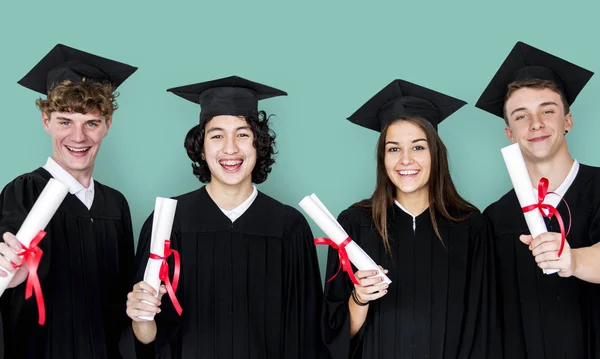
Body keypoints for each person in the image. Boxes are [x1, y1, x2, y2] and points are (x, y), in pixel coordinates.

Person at [121, 76, 325, 358]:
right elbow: (148, 339)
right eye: (216, 135)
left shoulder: (289, 226)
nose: (230, 148)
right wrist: (139, 315)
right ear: (201, 148)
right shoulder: (168, 223)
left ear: (258, 144)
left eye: (243, 134)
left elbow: (306, 334)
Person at [322, 79, 501, 359]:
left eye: (418, 147)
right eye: (394, 148)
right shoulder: (355, 224)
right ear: (382, 158)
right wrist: (360, 297)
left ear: (436, 153)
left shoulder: (469, 226)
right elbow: (333, 335)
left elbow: (483, 326)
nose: (406, 160)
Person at [0, 43, 137, 358]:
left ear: (107, 126)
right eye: (65, 121)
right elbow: (7, 253)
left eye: (91, 123)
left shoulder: (115, 205)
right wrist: (10, 276)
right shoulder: (24, 192)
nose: (78, 137)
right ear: (46, 121)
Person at [476, 41, 600, 358]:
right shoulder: (495, 218)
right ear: (509, 133)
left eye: (548, 110)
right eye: (521, 116)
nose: (536, 124)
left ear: (568, 121)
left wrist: (573, 260)